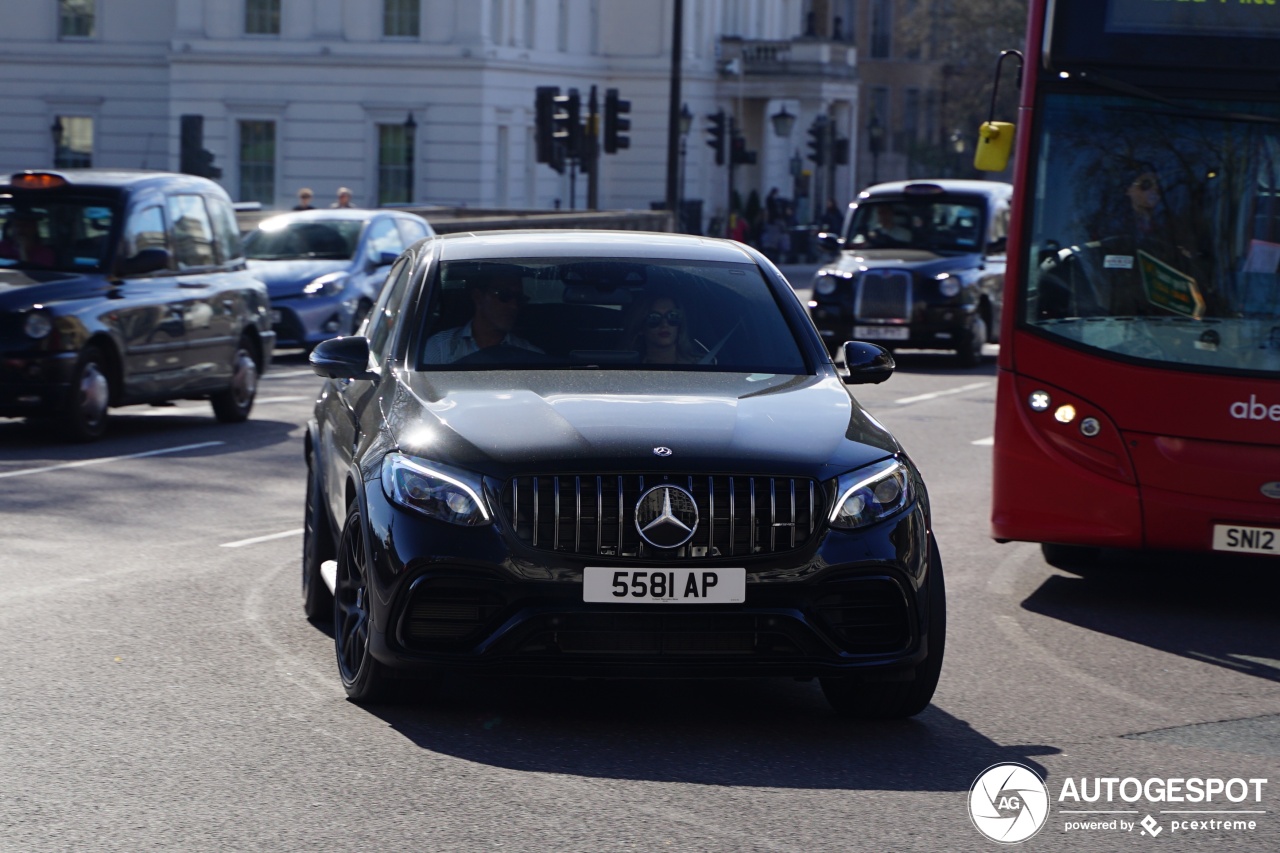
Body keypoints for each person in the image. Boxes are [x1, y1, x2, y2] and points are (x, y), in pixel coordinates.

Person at [422, 265, 543, 363]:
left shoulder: (531, 355)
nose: (514, 306)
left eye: (519, 298)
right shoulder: (440, 348)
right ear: (478, 297)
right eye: (504, 295)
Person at [625, 293, 702, 364]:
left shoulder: (702, 366)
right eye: (654, 318)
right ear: (640, 327)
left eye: (672, 316)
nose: (664, 324)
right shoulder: (626, 369)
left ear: (680, 324)